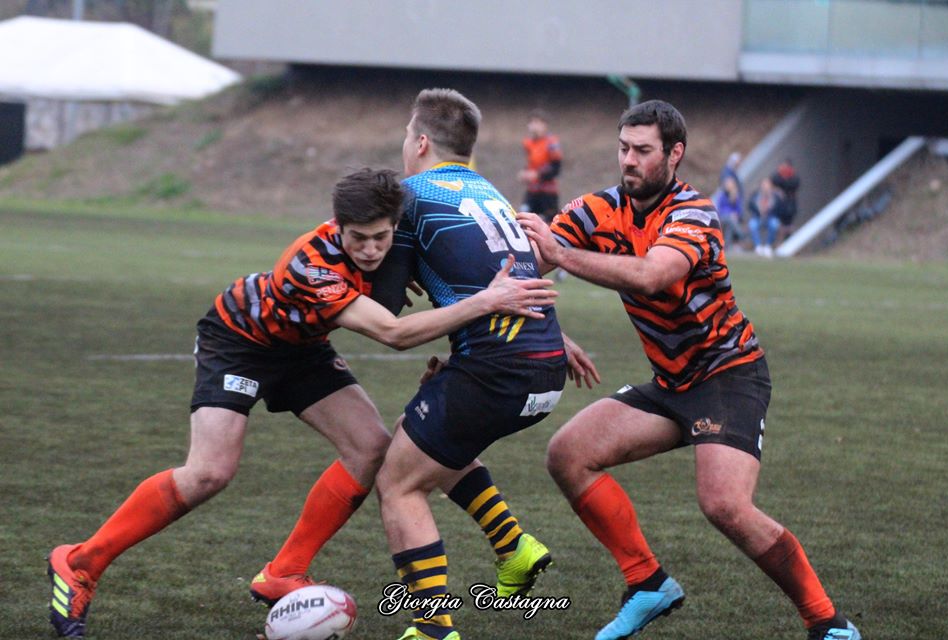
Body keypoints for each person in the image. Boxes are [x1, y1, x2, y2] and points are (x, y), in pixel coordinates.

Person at [45, 167, 561, 639]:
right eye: (357, 238)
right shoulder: (311, 264)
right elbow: (394, 333)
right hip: (241, 340)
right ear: (338, 226)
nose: (370, 250)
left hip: (304, 350)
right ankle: (82, 562)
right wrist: (485, 301)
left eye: (381, 238)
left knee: (371, 449)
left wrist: (541, 334)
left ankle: (284, 572)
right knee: (209, 473)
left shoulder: (392, 241)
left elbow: (454, 283)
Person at [518, 100, 861, 640]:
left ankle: (829, 624)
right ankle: (647, 583)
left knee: (724, 505)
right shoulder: (595, 209)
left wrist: (561, 256)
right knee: (568, 454)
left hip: (729, 375)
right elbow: (522, 267)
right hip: (672, 383)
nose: (628, 160)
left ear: (674, 154)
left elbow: (652, 275)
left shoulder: (694, 213)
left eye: (642, 150)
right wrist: (547, 327)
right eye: (623, 148)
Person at [371, 89, 592, 640]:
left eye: (406, 135)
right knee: (420, 436)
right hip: (544, 364)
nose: (404, 145)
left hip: (500, 371)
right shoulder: (489, 190)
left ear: (421, 142)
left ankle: (432, 628)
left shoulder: (409, 195)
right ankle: (513, 546)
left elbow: (385, 307)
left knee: (397, 482)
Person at [517, 109, 563, 224]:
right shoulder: (528, 143)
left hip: (547, 193)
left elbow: (556, 167)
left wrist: (538, 174)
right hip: (532, 191)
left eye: (537, 123)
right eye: (531, 123)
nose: (534, 126)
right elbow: (531, 163)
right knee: (522, 219)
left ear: (544, 125)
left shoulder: (551, 143)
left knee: (549, 223)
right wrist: (524, 173)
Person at [714, 151, 745, 250]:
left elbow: (738, 209)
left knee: (731, 224)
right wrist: (730, 214)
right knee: (730, 221)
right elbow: (719, 209)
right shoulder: (722, 195)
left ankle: (727, 246)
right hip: (724, 216)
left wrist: (736, 214)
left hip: (732, 218)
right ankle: (741, 234)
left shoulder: (735, 195)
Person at [747, 176, 785, 257]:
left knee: (774, 224)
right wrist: (758, 210)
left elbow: (781, 209)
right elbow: (750, 206)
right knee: (752, 224)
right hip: (758, 218)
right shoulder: (755, 195)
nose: (765, 187)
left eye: (767, 185)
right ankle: (758, 246)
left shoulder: (776, 196)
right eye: (764, 185)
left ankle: (768, 246)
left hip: (770, 218)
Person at [772, 158, 800, 242]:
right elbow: (774, 180)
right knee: (779, 224)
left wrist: (784, 183)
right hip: (779, 204)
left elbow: (793, 184)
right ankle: (779, 242)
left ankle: (788, 241)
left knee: (788, 224)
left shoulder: (794, 177)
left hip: (790, 203)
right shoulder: (778, 175)